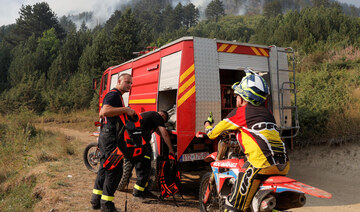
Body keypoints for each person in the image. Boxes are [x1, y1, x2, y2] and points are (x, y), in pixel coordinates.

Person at [204, 70, 289, 212]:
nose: (235, 99)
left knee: (232, 206)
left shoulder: (240, 113)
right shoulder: (268, 114)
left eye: (237, 96)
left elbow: (212, 134)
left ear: (243, 98)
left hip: (260, 164)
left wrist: (207, 124)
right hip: (283, 164)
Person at [90, 73, 135, 212]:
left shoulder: (117, 96)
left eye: (130, 83)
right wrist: (126, 110)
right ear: (119, 81)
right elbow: (104, 112)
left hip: (108, 137)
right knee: (113, 170)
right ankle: (107, 206)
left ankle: (95, 201)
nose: (129, 85)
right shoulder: (113, 95)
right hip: (111, 139)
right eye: (127, 82)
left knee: (104, 168)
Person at [132, 110, 175, 200]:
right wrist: (171, 149)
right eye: (163, 121)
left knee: (147, 167)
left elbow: (159, 132)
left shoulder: (151, 117)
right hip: (140, 144)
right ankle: (137, 194)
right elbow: (163, 133)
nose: (162, 123)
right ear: (162, 115)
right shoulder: (156, 115)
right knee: (143, 168)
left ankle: (145, 191)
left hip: (141, 143)